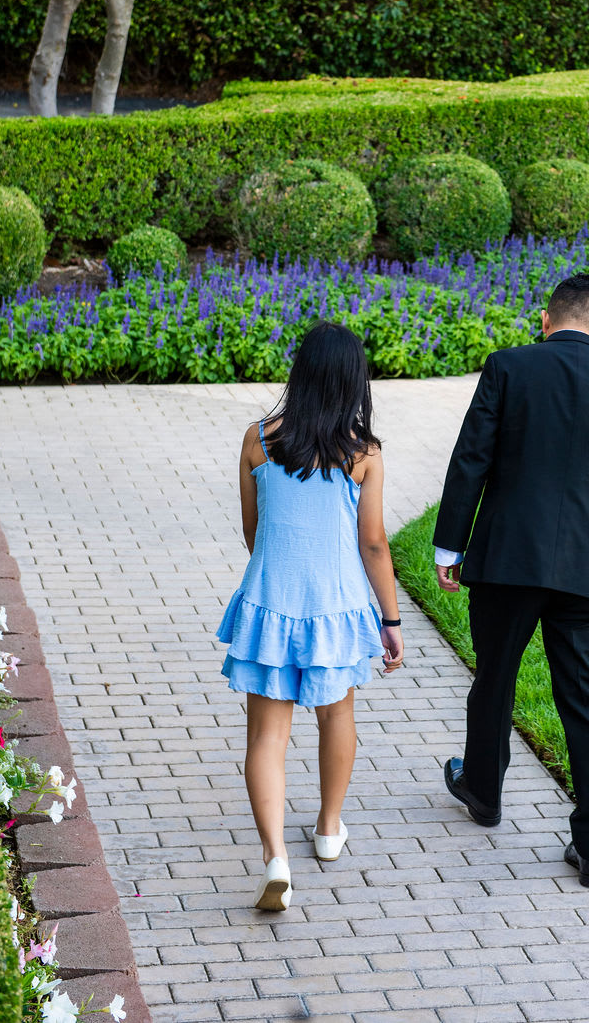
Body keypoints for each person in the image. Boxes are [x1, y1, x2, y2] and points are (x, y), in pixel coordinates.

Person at [433, 271, 589, 889]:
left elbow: (469, 460)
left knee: (496, 677)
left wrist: (450, 544)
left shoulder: (508, 368)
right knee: (586, 701)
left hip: (508, 559)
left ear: (545, 320)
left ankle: (483, 792)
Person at [216, 322, 404, 912]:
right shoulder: (362, 453)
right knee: (335, 716)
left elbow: (253, 531)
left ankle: (275, 858)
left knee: (266, 737)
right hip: (334, 611)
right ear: (353, 382)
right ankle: (328, 829)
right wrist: (391, 619)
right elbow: (373, 543)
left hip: (271, 604)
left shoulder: (258, 440)